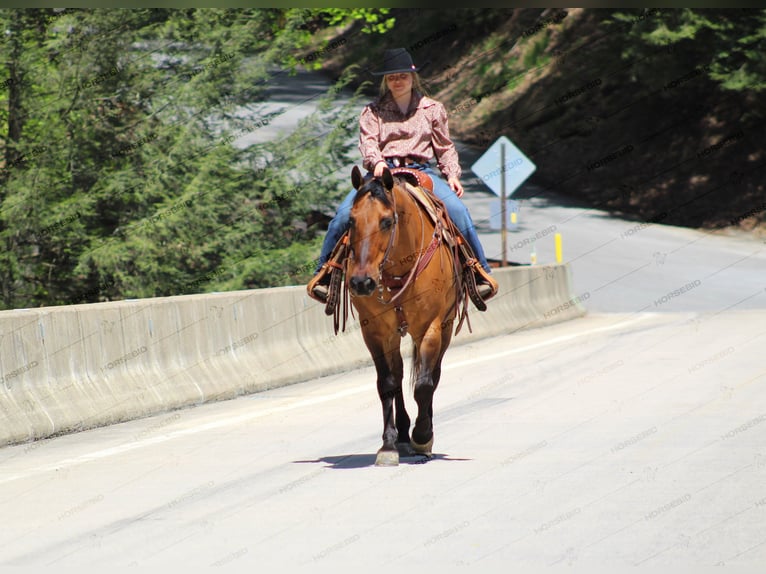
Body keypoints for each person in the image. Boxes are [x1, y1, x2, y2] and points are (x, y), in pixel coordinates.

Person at [310, 48, 498, 304]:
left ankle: (479, 273)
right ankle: (325, 275)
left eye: (402, 76)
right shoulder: (372, 111)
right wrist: (376, 163)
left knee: (458, 211)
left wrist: (452, 174)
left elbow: (444, 147)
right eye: (391, 77)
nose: (397, 81)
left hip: (420, 171)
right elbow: (368, 144)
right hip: (381, 173)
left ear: (413, 77)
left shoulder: (433, 109)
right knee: (344, 216)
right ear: (385, 81)